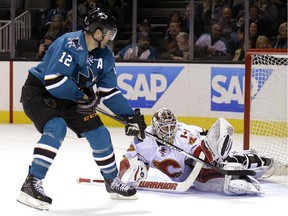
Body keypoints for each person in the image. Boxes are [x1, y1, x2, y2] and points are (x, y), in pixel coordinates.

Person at [17, 7, 147, 211]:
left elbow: (109, 91)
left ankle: (112, 182)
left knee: (100, 133)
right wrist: (84, 96)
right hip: (41, 92)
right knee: (56, 127)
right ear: (97, 32)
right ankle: (31, 183)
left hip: (72, 97)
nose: (111, 36)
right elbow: (54, 81)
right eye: (109, 32)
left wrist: (129, 115)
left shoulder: (106, 57)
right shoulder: (69, 43)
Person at [118, 108, 274, 195]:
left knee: (228, 161)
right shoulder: (143, 140)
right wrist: (117, 177)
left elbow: (206, 140)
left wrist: (198, 156)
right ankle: (236, 175)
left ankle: (258, 161)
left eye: (172, 126)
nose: (170, 131)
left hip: (200, 166)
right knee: (217, 181)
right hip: (189, 178)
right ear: (156, 127)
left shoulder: (184, 132)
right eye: (166, 127)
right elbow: (127, 159)